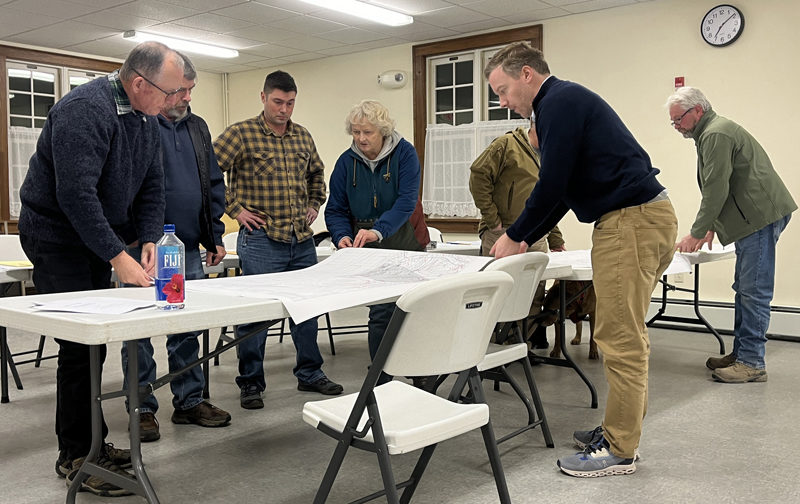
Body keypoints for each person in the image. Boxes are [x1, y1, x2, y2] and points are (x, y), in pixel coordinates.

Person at [484, 41, 678, 478]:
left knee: (619, 339)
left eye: (502, 90)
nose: (502, 101)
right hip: (638, 218)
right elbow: (564, 191)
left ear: (527, 75)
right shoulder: (562, 103)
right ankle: (617, 431)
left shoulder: (559, 102)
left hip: (629, 222)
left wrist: (516, 235)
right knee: (626, 334)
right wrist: (522, 236)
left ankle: (620, 449)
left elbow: (552, 185)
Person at [18, 42, 185, 497]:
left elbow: (153, 184)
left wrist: (149, 238)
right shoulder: (83, 111)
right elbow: (75, 196)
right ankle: (75, 456)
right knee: (79, 346)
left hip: (94, 236)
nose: (175, 101)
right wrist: (119, 257)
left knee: (98, 344)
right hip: (57, 238)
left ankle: (92, 443)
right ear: (138, 84)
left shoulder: (145, 118)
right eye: (169, 92)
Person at [214, 70, 342, 409]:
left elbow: (317, 173)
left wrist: (315, 203)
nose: (284, 110)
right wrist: (236, 210)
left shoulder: (302, 136)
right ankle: (251, 383)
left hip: (301, 240)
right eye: (277, 102)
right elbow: (207, 173)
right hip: (261, 240)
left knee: (307, 311)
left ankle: (310, 374)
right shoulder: (241, 134)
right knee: (255, 316)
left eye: (290, 103)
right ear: (263, 97)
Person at [120, 52, 231, 442]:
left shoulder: (198, 128)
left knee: (186, 327)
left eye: (190, 90)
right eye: (180, 90)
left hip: (186, 248)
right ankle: (142, 407)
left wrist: (213, 233)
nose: (186, 97)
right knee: (140, 330)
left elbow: (212, 184)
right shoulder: (139, 123)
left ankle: (189, 401)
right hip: (141, 247)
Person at [667, 87, 796, 383]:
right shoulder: (711, 132)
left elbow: (716, 188)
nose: (676, 127)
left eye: (679, 120)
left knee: (754, 290)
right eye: (672, 122)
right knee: (745, 287)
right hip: (753, 218)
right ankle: (742, 354)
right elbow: (726, 182)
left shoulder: (715, 134)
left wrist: (697, 232)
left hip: (758, 219)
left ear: (697, 110)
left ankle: (752, 362)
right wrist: (713, 226)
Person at [324, 100, 426, 382]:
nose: (361, 138)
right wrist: (341, 235)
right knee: (380, 311)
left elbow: (406, 202)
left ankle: (421, 373)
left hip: (403, 238)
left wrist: (379, 230)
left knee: (413, 308)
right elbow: (336, 208)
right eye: (356, 132)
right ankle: (381, 375)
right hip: (365, 244)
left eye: (367, 132)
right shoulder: (346, 162)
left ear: (382, 130)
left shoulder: (405, 153)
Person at [468, 120, 566, 348]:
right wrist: (493, 220)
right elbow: (478, 176)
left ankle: (519, 346)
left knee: (533, 295)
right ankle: (488, 348)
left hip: (536, 235)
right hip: (502, 234)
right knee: (496, 293)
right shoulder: (506, 145)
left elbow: (549, 201)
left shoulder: (552, 154)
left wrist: (555, 238)